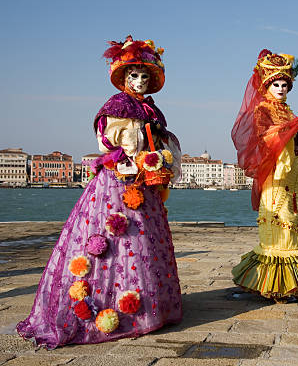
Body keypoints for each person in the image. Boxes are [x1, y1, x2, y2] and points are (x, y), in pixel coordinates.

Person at [17, 36, 183, 348]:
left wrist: (156, 155)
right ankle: (114, 304)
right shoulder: (116, 106)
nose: (140, 81)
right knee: (119, 237)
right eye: (134, 75)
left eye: (145, 76)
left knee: (143, 238)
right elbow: (107, 143)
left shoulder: (153, 111)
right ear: (124, 77)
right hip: (117, 181)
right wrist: (135, 148)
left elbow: (158, 143)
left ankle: (147, 307)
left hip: (145, 184)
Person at [231, 49, 298, 303]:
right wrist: (291, 126)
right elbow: (265, 140)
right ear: (267, 86)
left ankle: (293, 283)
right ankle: (276, 285)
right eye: (276, 84)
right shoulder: (262, 110)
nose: (281, 89)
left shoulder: (287, 110)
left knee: (292, 225)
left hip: (291, 176)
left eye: (284, 84)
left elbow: (294, 149)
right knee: (278, 225)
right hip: (274, 175)